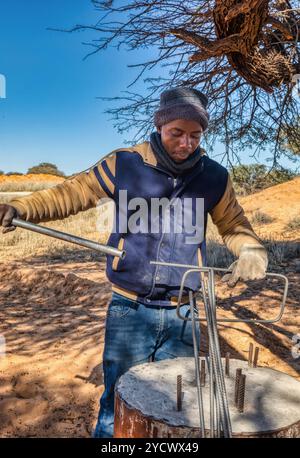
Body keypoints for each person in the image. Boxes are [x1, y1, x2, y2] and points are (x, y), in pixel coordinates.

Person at [0, 87, 268, 438]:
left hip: (183, 312)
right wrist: (20, 208)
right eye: (177, 133)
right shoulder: (124, 163)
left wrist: (250, 250)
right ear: (160, 126)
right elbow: (71, 193)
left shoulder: (214, 177)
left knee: (181, 403)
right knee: (119, 402)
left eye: (195, 135)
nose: (186, 143)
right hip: (128, 307)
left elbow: (234, 225)